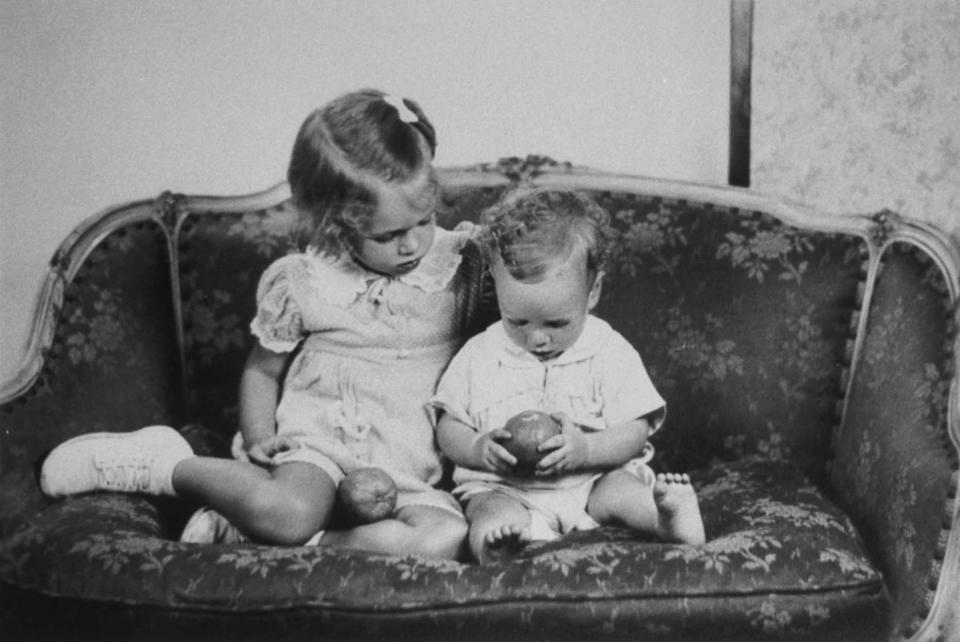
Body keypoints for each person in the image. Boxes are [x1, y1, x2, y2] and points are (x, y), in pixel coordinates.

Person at [40, 89, 474, 559]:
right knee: (289, 510)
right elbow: (263, 369)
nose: (411, 246)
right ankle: (167, 465)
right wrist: (259, 437)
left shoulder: (460, 267)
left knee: (442, 539)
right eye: (386, 236)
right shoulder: (306, 281)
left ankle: (283, 538)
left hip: (415, 468)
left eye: (423, 221)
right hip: (321, 449)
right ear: (336, 225)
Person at [432, 187, 705, 563]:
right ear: (496, 286)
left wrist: (588, 450)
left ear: (592, 292)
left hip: (590, 481)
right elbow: (448, 426)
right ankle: (495, 547)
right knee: (488, 511)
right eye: (517, 320)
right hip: (505, 488)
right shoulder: (480, 353)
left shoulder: (608, 349)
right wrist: (478, 449)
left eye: (557, 323)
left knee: (621, 489)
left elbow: (635, 429)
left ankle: (667, 519)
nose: (537, 337)